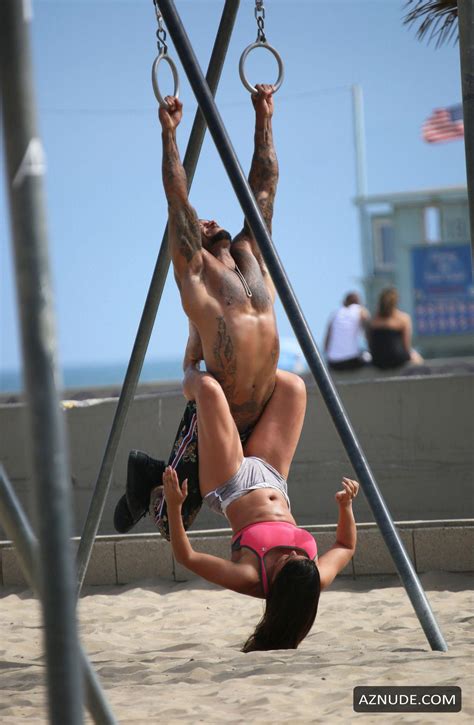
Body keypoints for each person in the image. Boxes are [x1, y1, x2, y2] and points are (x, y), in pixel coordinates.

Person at [114, 84, 282, 536]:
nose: (209, 220)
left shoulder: (253, 254)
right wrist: (170, 134)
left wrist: (263, 118)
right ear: (195, 244)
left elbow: (263, 189)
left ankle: (148, 474)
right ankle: (144, 480)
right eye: (200, 224)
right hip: (216, 417)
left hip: (260, 413)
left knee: (191, 502)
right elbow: (177, 202)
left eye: (210, 219)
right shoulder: (198, 276)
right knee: (174, 523)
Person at [162, 364, 359, 651]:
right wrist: (346, 507)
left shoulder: (252, 577)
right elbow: (345, 546)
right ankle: (243, 362)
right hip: (274, 477)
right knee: (294, 387)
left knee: (207, 390)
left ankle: (189, 370)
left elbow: (187, 557)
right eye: (299, 555)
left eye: (287, 560)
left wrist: (174, 507)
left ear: (278, 586)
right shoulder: (311, 577)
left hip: (228, 483)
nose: (293, 552)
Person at [368, 287, 423, 370]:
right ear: (396, 302)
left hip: (377, 361)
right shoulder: (404, 318)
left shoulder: (372, 320)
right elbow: (406, 346)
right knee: (417, 357)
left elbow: (370, 344)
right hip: (397, 359)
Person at [324, 292, 371, 371]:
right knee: (368, 357)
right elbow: (369, 332)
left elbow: (326, 343)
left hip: (333, 363)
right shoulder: (360, 310)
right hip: (351, 361)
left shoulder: (335, 314)